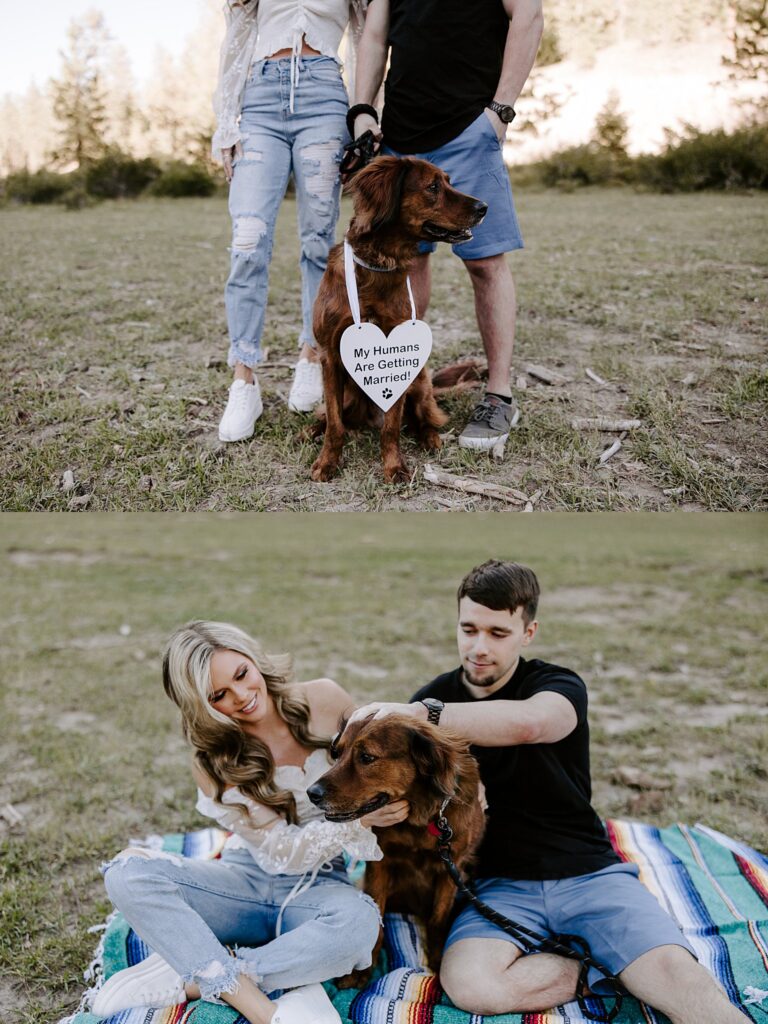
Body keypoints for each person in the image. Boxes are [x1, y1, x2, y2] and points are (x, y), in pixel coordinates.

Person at [347, 561, 748, 1024]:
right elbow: (400, 794)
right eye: (468, 629)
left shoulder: (553, 685)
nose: (479, 648)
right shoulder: (436, 696)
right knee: (473, 987)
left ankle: (640, 965)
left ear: (528, 631)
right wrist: (374, 813)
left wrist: (419, 713)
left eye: (498, 633)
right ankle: (592, 967)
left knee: (675, 977)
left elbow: (534, 723)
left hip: (588, 871)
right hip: (497, 885)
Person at [92, 621, 407, 1024]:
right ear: (201, 707)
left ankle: (192, 975)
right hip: (243, 882)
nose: (242, 697)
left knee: (358, 927)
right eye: (219, 696)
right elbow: (282, 852)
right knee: (126, 874)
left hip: (321, 886)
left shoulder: (325, 699)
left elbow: (386, 747)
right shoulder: (212, 760)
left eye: (242, 675)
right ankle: (258, 1006)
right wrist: (357, 823)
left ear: (253, 659)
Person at [346, 0, 542, 450]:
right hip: (400, 142)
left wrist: (500, 112)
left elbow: (529, 14)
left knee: (486, 265)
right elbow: (374, 37)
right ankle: (398, 384)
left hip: (469, 131)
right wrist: (362, 109)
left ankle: (498, 397)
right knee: (405, 268)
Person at [213, 1, 368, 442]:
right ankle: (244, 379)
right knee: (247, 240)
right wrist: (226, 120)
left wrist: (364, 115)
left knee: (319, 240)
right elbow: (238, 31)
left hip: (324, 97)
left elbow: (367, 38)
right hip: (259, 97)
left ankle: (311, 354)